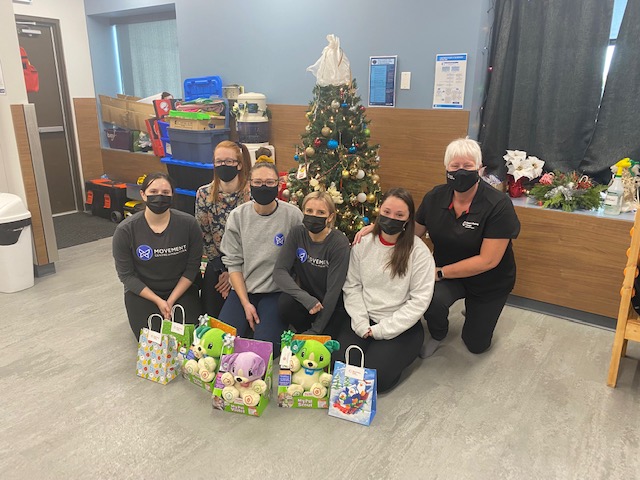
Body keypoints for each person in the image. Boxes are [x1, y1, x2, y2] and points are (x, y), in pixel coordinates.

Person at [415, 137, 521, 356]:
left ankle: (475, 312)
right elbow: (412, 236)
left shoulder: (498, 205)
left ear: (480, 169)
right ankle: (438, 333)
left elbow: (488, 260)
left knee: (476, 346)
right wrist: (377, 230)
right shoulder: (434, 197)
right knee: (431, 299)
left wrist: (440, 272)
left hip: (489, 281)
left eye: (468, 166)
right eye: (455, 166)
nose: (460, 171)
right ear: (446, 168)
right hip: (450, 275)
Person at [336, 188, 435, 393]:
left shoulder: (419, 253)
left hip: (400, 326)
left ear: (408, 219)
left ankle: (403, 351)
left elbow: (419, 302)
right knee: (341, 371)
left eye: (399, 215)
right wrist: (361, 322)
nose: (391, 218)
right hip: (363, 319)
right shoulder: (363, 242)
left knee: (376, 381)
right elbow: (352, 285)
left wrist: (380, 331)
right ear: (379, 211)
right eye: (387, 212)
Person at [218, 157, 303, 356]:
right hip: (243, 289)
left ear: (278, 185)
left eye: (269, 183)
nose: (263, 187)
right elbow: (234, 264)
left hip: (275, 292)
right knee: (223, 345)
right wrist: (245, 303)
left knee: (264, 352)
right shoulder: (238, 216)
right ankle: (248, 318)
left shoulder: (293, 215)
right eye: (257, 182)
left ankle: (261, 324)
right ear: (250, 184)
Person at [113, 172, 204, 338]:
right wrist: (158, 301)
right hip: (143, 292)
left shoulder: (189, 224)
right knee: (153, 339)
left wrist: (170, 301)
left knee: (187, 338)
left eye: (165, 193)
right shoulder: (126, 230)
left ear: (172, 195)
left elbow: (192, 269)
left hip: (180, 290)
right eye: (153, 192)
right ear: (143, 194)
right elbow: (126, 275)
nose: (159, 197)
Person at [273, 191, 350, 338]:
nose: (314, 215)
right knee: (285, 303)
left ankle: (313, 332)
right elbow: (280, 271)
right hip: (309, 302)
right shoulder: (297, 233)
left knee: (329, 351)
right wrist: (305, 298)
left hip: (332, 307)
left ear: (330, 217)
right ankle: (304, 332)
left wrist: (316, 331)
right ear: (303, 212)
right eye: (309, 211)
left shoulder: (339, 243)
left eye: (321, 212)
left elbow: (333, 292)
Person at [195, 141, 251, 317]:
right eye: (219, 162)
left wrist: (234, 271)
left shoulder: (252, 193)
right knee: (210, 308)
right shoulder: (204, 194)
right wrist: (224, 271)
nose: (223, 166)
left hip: (248, 262)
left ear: (239, 164)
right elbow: (205, 235)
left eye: (228, 161)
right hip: (218, 262)